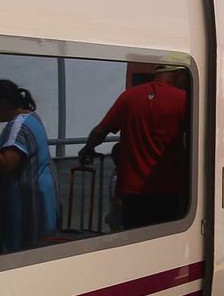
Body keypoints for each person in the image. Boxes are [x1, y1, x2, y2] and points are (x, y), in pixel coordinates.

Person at [79, 65, 190, 229]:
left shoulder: (128, 96)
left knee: (134, 241)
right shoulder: (183, 100)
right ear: (180, 74)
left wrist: (87, 148)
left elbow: (100, 131)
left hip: (131, 192)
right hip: (169, 189)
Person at [0, 80, 59, 253]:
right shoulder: (30, 117)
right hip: (40, 196)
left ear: (4, 104)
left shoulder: (18, 127)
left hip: (26, 203)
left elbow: (7, 164)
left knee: (22, 252)